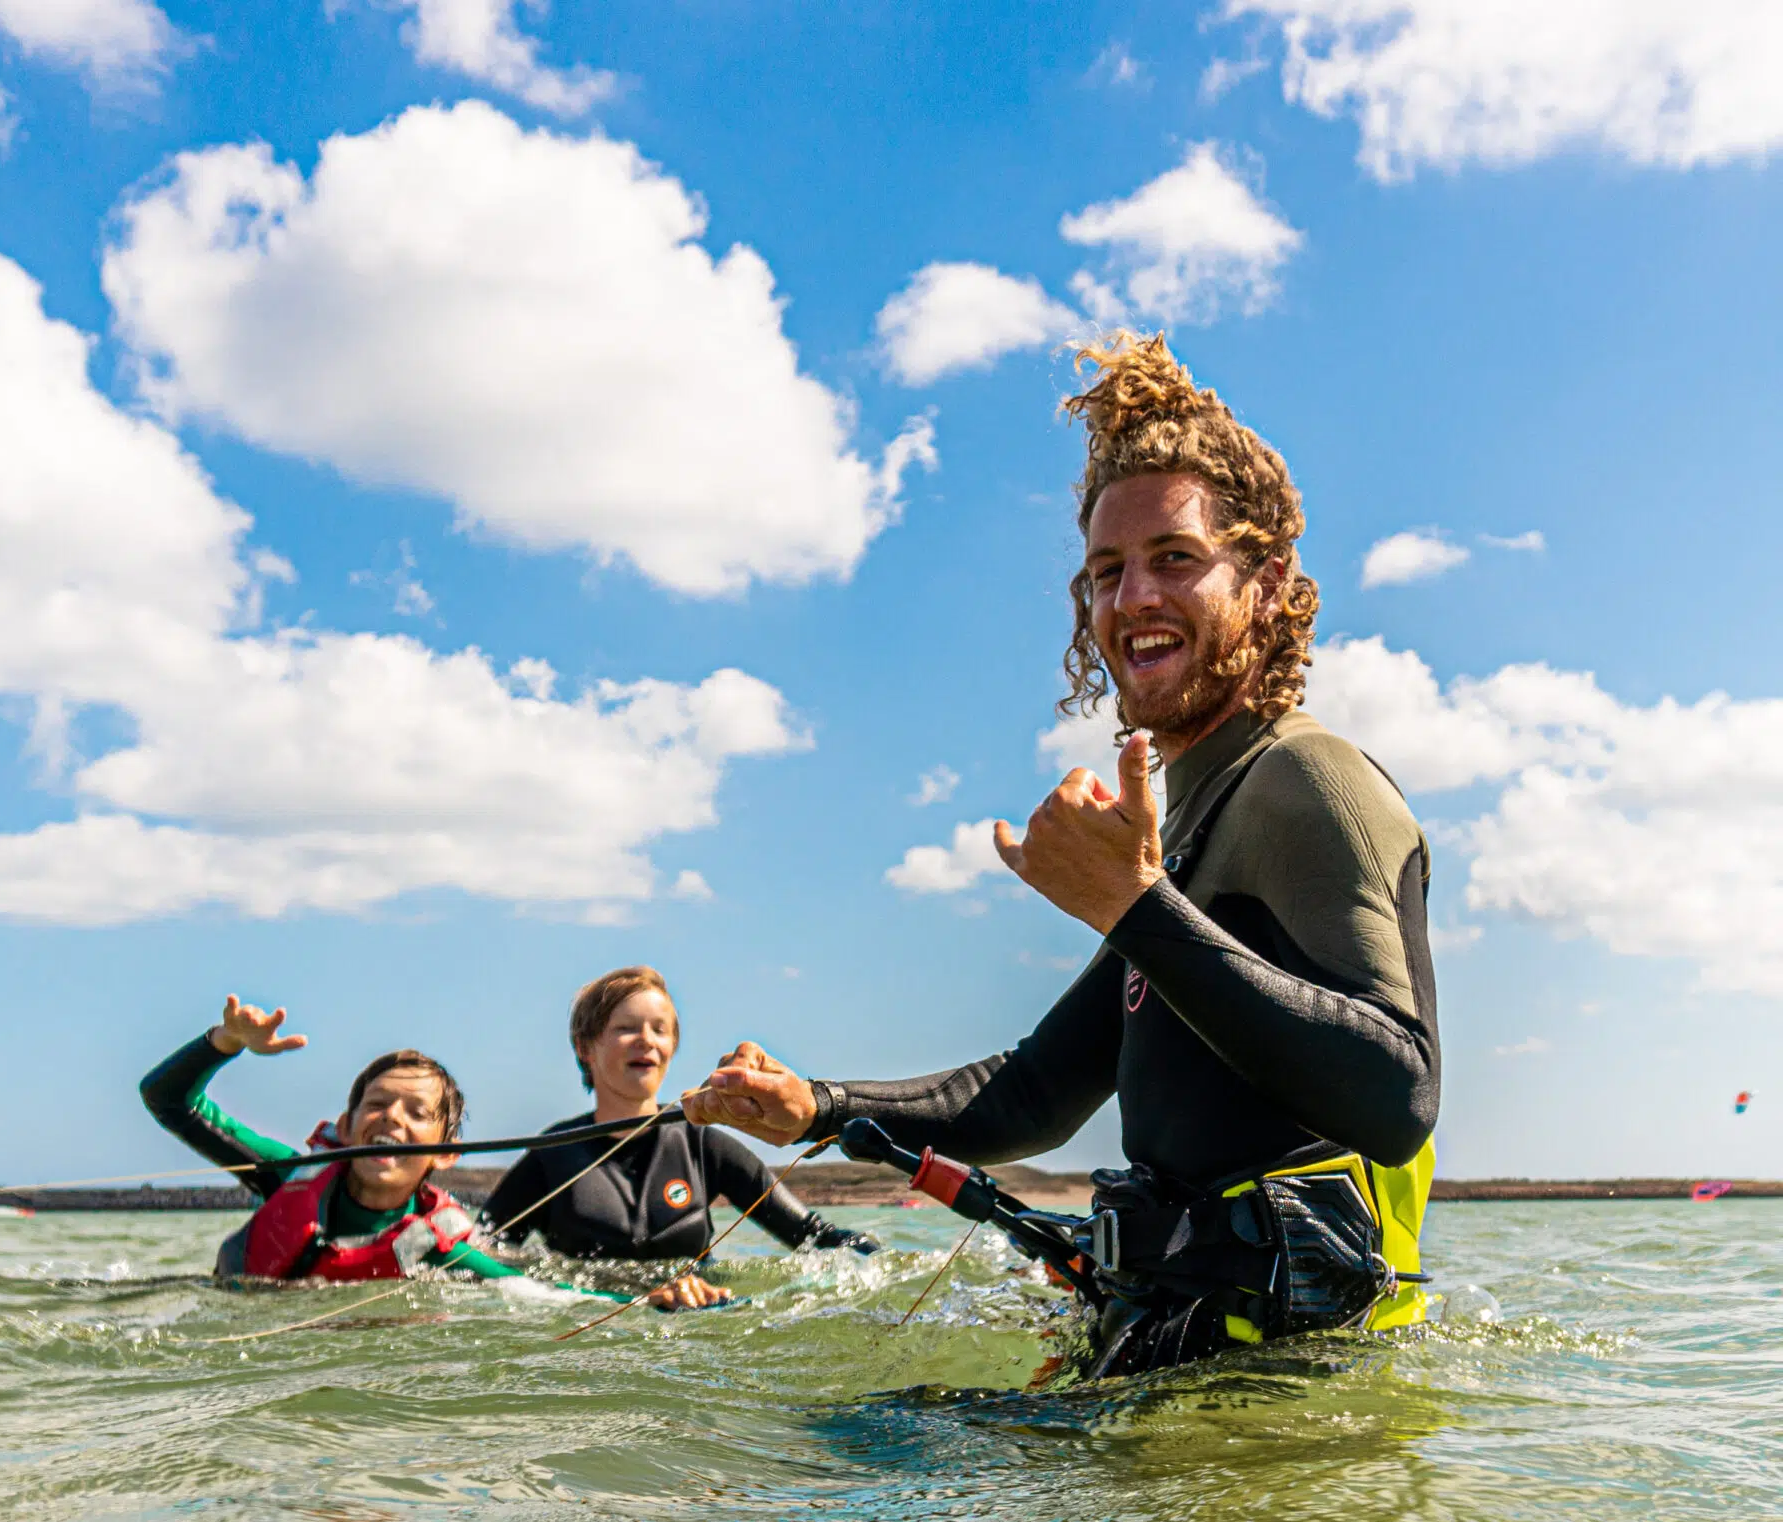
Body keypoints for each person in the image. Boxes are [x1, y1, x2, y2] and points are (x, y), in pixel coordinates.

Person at [684, 332, 1439, 1379]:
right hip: (1180, 1354)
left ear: (1266, 582)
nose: (1132, 597)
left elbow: (1395, 1098)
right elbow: (1035, 1091)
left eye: (1174, 558)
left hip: (1286, 1395)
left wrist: (1134, 906)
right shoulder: (1190, 822)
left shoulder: (1305, 782)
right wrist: (819, 1103)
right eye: (1105, 571)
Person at [141, 994, 727, 1307]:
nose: (391, 1118)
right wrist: (222, 1044)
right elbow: (167, 1101)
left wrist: (651, 1300)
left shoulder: (436, 1244)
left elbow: (539, 1293)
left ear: (445, 1153)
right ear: (344, 1127)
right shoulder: (288, 1176)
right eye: (376, 1106)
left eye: (417, 1114)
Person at [482, 967, 876, 1260]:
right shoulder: (551, 1155)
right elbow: (475, 1257)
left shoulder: (705, 1146)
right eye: (626, 1028)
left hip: (692, 1335)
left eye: (660, 1029)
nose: (646, 1042)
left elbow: (812, 1236)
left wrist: (888, 1263)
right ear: (586, 1047)